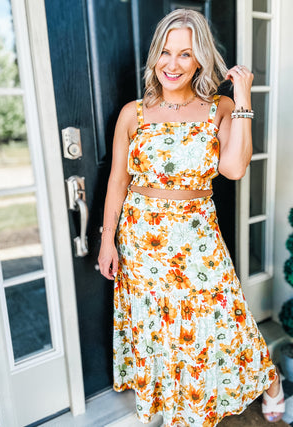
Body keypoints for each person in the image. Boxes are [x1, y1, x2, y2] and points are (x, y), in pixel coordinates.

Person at [98, 8, 285, 427]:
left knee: (225, 325)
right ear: (154, 58)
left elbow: (234, 168)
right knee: (158, 331)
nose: (172, 64)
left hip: (196, 241)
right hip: (141, 242)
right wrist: (108, 239)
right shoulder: (134, 113)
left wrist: (243, 98)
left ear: (200, 58)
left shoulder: (217, 107)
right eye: (165, 53)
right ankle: (178, 410)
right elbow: (117, 182)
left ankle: (270, 379)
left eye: (185, 54)